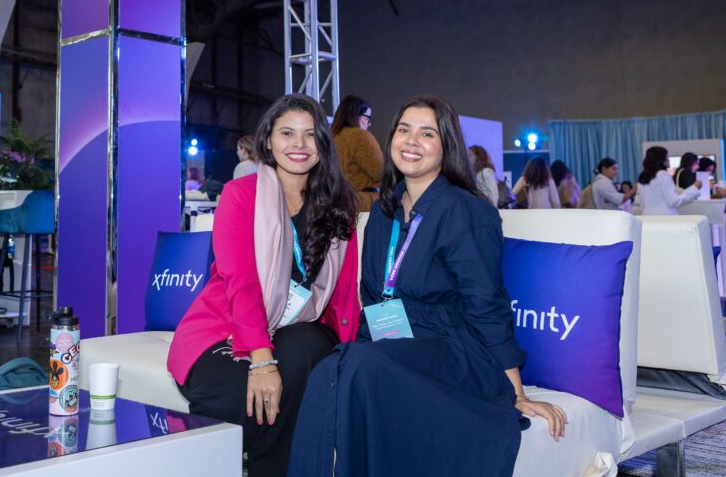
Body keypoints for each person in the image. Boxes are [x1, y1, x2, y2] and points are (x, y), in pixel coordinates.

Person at [289, 95, 565, 477]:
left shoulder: (465, 210)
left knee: (354, 367)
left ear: (445, 146)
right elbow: (373, 297)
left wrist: (514, 392)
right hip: (396, 347)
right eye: (404, 130)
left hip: (454, 348)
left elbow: (485, 303)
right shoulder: (384, 210)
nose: (411, 141)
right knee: (337, 366)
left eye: (427, 133)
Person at [168, 93, 360, 477]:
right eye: (287, 133)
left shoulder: (339, 205)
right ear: (268, 141)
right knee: (233, 394)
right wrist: (261, 361)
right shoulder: (241, 195)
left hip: (297, 329)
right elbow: (241, 283)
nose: (299, 145)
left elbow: (343, 297)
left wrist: (351, 364)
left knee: (308, 349)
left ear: (323, 144)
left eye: (310, 135)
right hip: (225, 329)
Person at [330, 94, 384, 213]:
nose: (368, 124)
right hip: (363, 205)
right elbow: (380, 172)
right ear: (355, 115)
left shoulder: (331, 137)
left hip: (337, 204)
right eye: (367, 118)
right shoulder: (359, 136)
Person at [636, 146, 701, 215]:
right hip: (665, 218)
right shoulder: (662, 175)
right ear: (661, 160)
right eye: (667, 157)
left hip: (648, 217)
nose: (668, 160)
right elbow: (673, 201)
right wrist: (694, 188)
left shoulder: (642, 178)